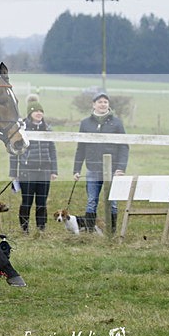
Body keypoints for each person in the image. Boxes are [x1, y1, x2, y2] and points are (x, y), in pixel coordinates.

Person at [72, 92, 129, 232]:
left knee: (113, 202)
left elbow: (124, 146)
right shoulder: (85, 123)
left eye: (105, 102)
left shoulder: (117, 123)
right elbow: (81, 147)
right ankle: (90, 230)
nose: (103, 104)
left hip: (112, 169)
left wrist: (121, 167)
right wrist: (77, 169)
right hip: (93, 168)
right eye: (100, 102)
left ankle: (111, 231)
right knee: (92, 201)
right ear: (94, 104)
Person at [8, 101, 58, 233]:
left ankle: (41, 228)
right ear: (30, 113)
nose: (39, 114)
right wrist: (13, 173)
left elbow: (52, 150)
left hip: (45, 171)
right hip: (27, 170)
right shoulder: (22, 129)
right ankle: (24, 228)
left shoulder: (47, 128)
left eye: (41, 111)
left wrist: (54, 170)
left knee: (42, 201)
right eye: (36, 111)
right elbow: (14, 151)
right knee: (27, 200)